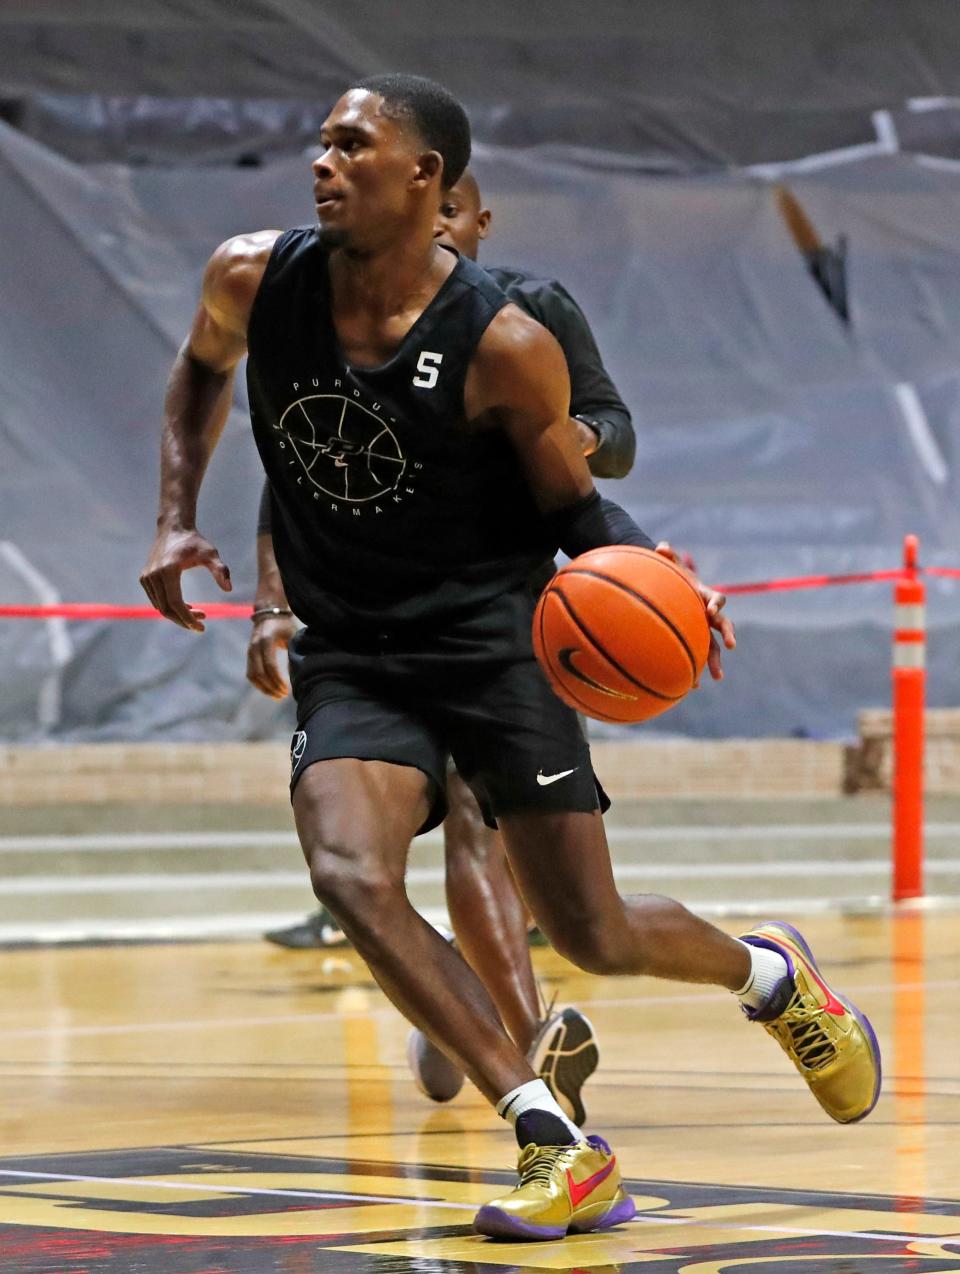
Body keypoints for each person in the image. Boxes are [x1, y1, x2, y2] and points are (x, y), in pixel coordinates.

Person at [141, 74, 881, 1243]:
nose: (322, 164)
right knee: (348, 872)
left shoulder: (504, 340)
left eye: (352, 145)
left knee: (594, 929)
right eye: (321, 143)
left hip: (494, 647)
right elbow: (198, 372)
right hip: (357, 653)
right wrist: (177, 513)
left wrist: (671, 590)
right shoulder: (253, 275)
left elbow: (581, 507)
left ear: (426, 176)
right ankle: (553, 1136)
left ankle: (772, 974)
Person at [251, 167, 638, 1125]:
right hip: (371, 627)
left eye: (455, 220)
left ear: (470, 217)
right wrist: (272, 602)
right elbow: (301, 465)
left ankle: (520, 1036)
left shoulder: (523, 317)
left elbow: (615, 437)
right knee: (361, 865)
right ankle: (490, 1027)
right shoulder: (340, 320)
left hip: (497, 612)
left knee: (483, 824)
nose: (440, 239)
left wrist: (543, 436)